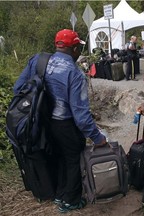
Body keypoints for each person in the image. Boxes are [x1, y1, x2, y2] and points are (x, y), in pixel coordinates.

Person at [13, 29, 107, 213]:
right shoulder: (75, 74)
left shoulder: (37, 61)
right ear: (73, 49)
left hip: (40, 122)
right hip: (64, 124)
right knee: (72, 159)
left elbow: (19, 88)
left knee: (56, 156)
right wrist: (97, 138)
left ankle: (58, 193)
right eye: (78, 48)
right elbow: (80, 116)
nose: (79, 52)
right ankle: (70, 201)